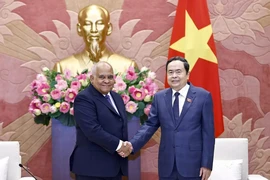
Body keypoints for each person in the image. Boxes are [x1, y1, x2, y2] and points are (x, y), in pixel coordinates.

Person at [121, 56, 215, 180]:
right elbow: (149, 125)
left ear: (188, 74)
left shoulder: (203, 96)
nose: (174, 75)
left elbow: (208, 133)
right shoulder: (160, 97)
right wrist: (132, 144)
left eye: (178, 72)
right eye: (170, 72)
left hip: (193, 165)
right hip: (167, 164)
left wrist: (206, 164)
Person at [70, 61, 132, 180]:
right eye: (102, 77)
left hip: (115, 168)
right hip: (92, 169)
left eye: (110, 77)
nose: (106, 81)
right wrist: (120, 145)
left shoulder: (117, 98)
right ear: (92, 78)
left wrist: (126, 146)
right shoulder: (84, 98)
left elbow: (119, 127)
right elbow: (92, 131)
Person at [53, 4, 137, 75]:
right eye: (87, 24)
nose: (94, 30)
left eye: (99, 23)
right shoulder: (62, 68)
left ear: (108, 28)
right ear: (79, 29)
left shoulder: (128, 67)